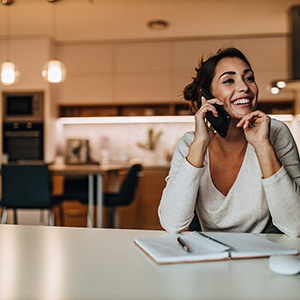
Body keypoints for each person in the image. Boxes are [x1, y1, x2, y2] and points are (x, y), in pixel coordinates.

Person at [158, 47, 300, 237]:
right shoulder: (190, 144)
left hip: (264, 256)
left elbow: (295, 225)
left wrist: (262, 146)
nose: (244, 87)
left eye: (249, 78)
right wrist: (200, 144)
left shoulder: (275, 133)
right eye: (229, 81)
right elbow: (172, 223)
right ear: (207, 96)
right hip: (211, 256)